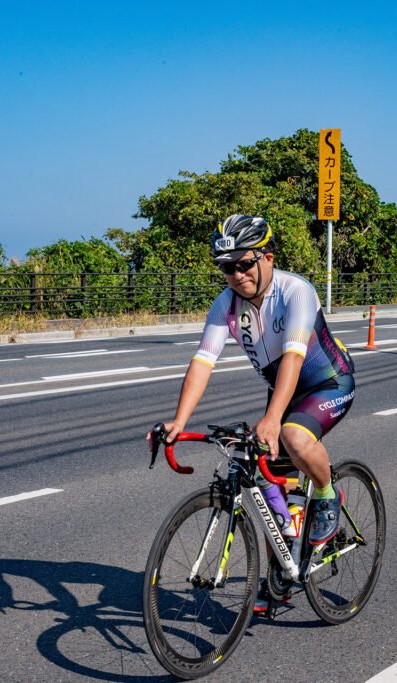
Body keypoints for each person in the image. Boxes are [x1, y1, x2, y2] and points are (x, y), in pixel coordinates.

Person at [153, 213, 355, 545]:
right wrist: (179, 420)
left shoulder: (296, 291)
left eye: (245, 264)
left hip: (329, 383)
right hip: (283, 391)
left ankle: (327, 493)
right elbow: (203, 361)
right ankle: (283, 567)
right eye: (226, 267)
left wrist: (274, 418)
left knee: (293, 436)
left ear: (268, 258)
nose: (236, 275)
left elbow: (293, 357)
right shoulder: (225, 304)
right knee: (275, 504)